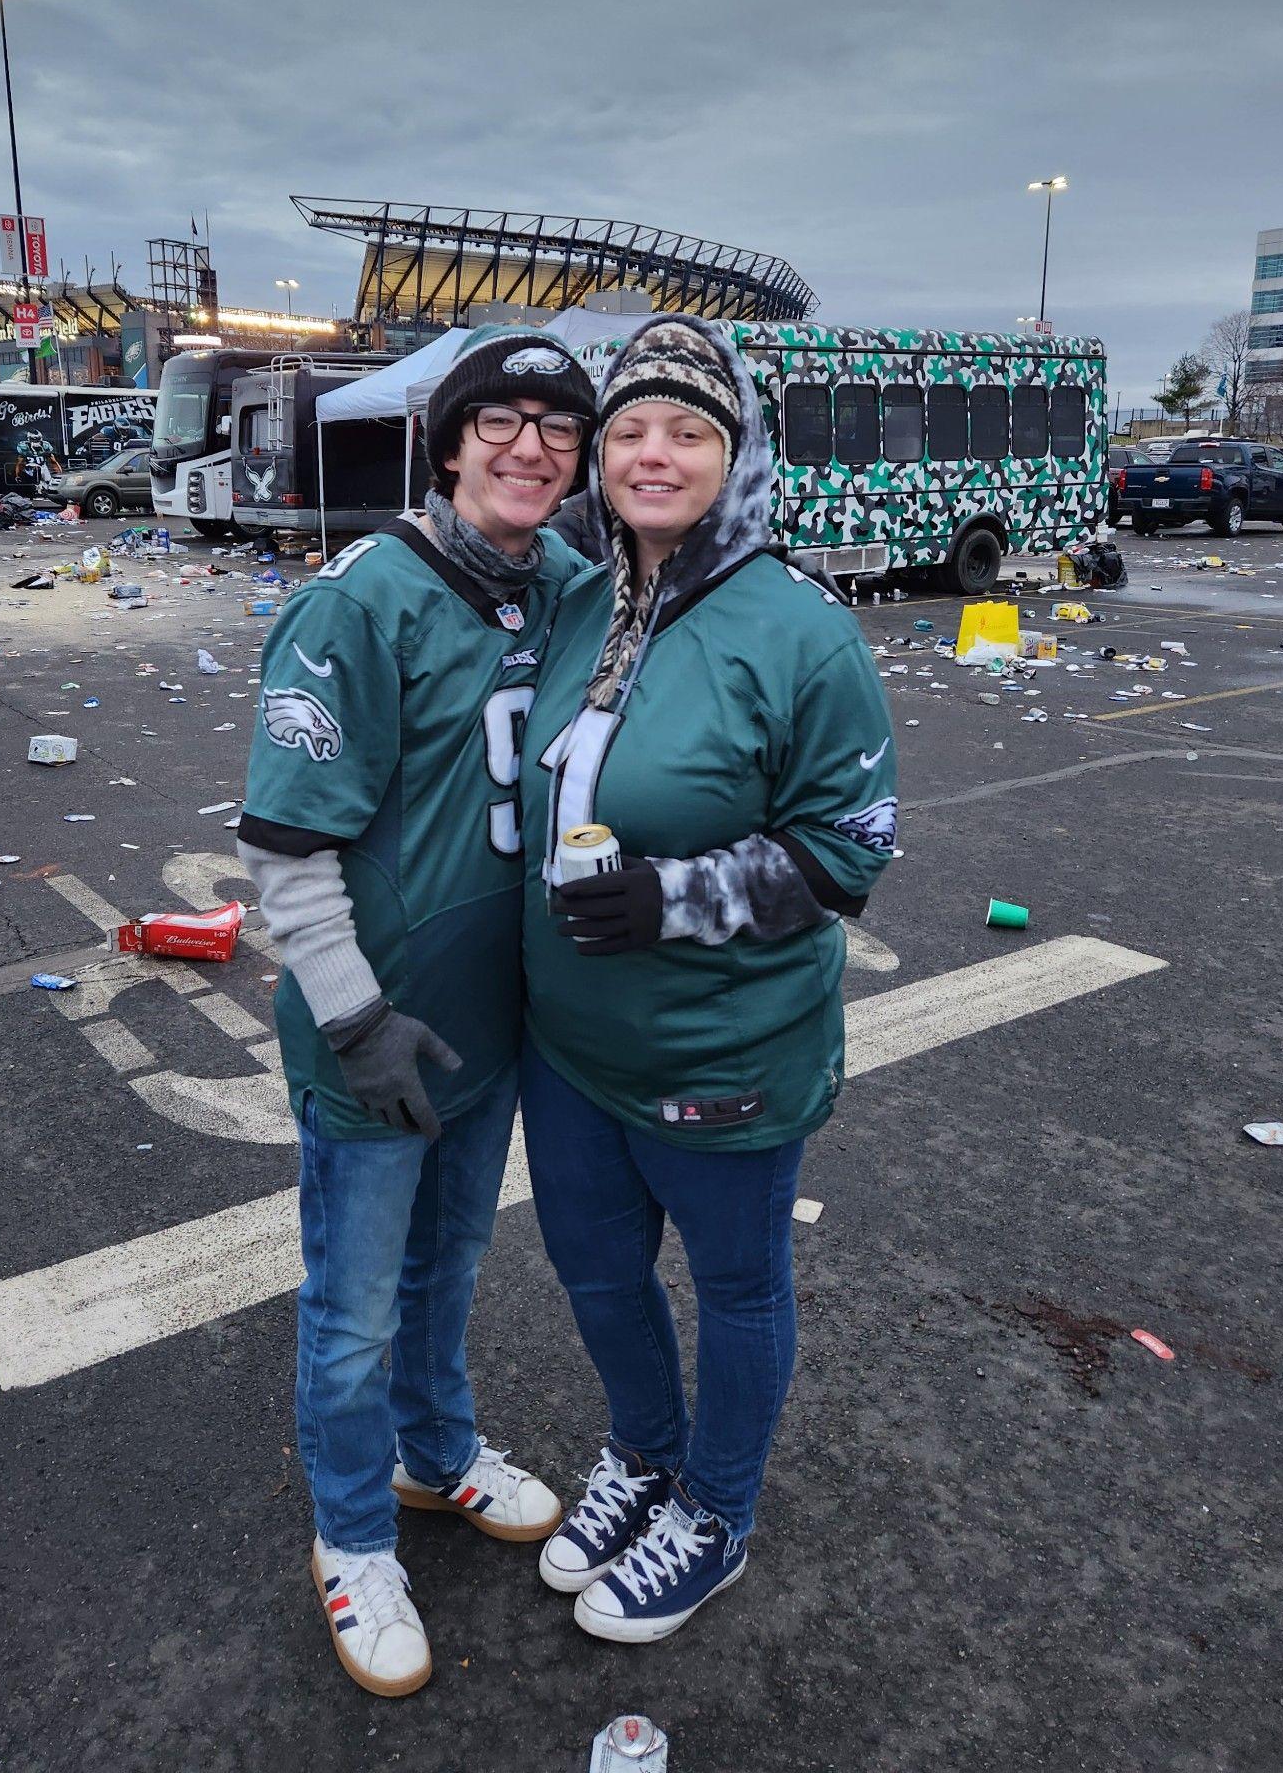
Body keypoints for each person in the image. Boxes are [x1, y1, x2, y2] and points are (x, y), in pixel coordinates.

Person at [516, 315, 897, 1643]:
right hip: (569, 1043)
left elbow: (851, 852)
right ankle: (644, 1455)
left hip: (722, 1047)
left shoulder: (801, 629)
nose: (653, 454)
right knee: (597, 1274)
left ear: (737, 455)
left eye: (687, 430)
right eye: (628, 431)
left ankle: (717, 1510)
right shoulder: (575, 595)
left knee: (737, 1291)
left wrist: (678, 899)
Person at [235, 330, 600, 1698]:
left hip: (496, 1020)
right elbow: (283, 839)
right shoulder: (359, 599)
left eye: (558, 429)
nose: (530, 446)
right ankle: (349, 1535)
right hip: (379, 1029)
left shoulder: (567, 583)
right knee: (352, 1307)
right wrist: (350, 1015)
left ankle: (433, 1455)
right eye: (499, 422)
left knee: (450, 1269)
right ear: (447, 446)